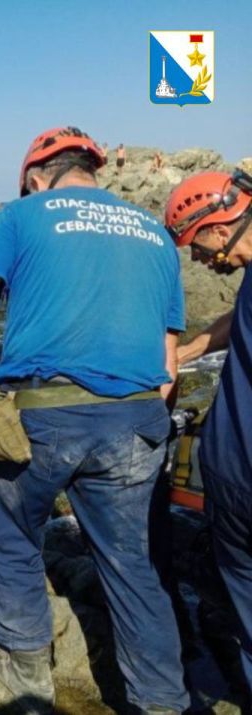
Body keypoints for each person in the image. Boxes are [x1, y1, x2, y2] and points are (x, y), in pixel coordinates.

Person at [0, 127, 189, 712]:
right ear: (94, 170)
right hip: (138, 417)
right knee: (132, 565)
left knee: (10, 533)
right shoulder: (155, 234)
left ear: (37, 179)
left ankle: (25, 660)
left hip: (44, 416)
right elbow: (168, 362)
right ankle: (161, 700)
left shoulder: (25, 215)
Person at [166, 169, 252, 697]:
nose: (198, 259)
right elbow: (237, 317)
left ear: (220, 228)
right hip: (231, 491)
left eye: (195, 245)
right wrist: (189, 350)